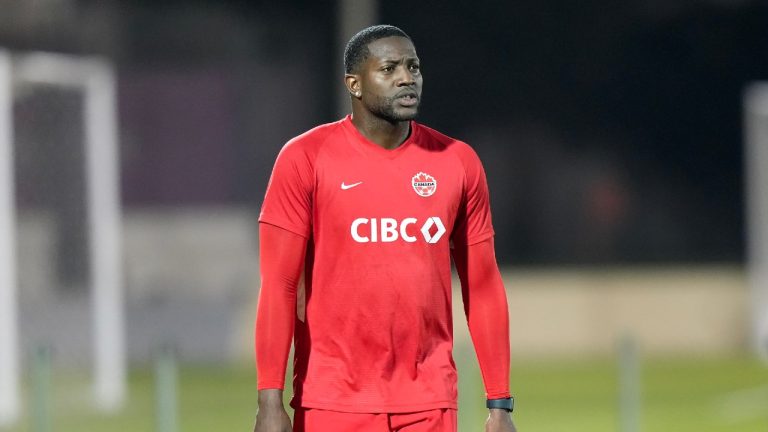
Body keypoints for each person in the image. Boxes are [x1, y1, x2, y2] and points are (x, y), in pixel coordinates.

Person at [253, 24, 517, 432]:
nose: (406, 77)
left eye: (413, 66)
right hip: (333, 401)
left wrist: (499, 404)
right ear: (354, 84)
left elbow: (482, 285)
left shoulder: (457, 162)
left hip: (430, 403)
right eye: (390, 68)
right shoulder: (304, 158)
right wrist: (269, 402)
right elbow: (279, 286)